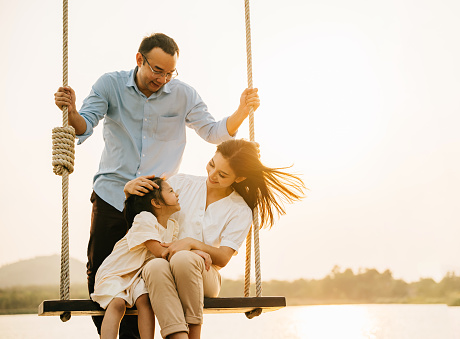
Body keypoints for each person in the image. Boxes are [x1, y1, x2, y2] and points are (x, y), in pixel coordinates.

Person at [53, 33, 260, 338]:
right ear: (140, 60)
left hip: (157, 204)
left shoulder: (184, 95)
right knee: (102, 271)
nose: (162, 79)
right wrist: (70, 113)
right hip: (113, 194)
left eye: (169, 73)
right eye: (157, 70)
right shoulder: (109, 85)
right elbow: (84, 125)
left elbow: (215, 132)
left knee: (148, 273)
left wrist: (242, 111)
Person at [125, 139, 305, 339]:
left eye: (223, 174)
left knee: (183, 259)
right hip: (163, 267)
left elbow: (223, 258)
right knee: (153, 267)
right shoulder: (180, 184)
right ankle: (177, 337)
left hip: (204, 274)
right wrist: (129, 192)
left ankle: (194, 335)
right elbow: (143, 219)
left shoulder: (240, 210)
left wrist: (192, 243)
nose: (212, 175)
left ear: (239, 177)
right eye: (212, 164)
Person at [91, 177, 212, 339]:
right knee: (118, 304)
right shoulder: (144, 219)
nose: (176, 194)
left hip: (137, 275)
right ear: (156, 203)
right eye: (170, 191)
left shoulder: (171, 226)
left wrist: (189, 251)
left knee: (145, 301)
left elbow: (173, 249)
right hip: (118, 272)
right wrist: (195, 252)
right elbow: (160, 252)